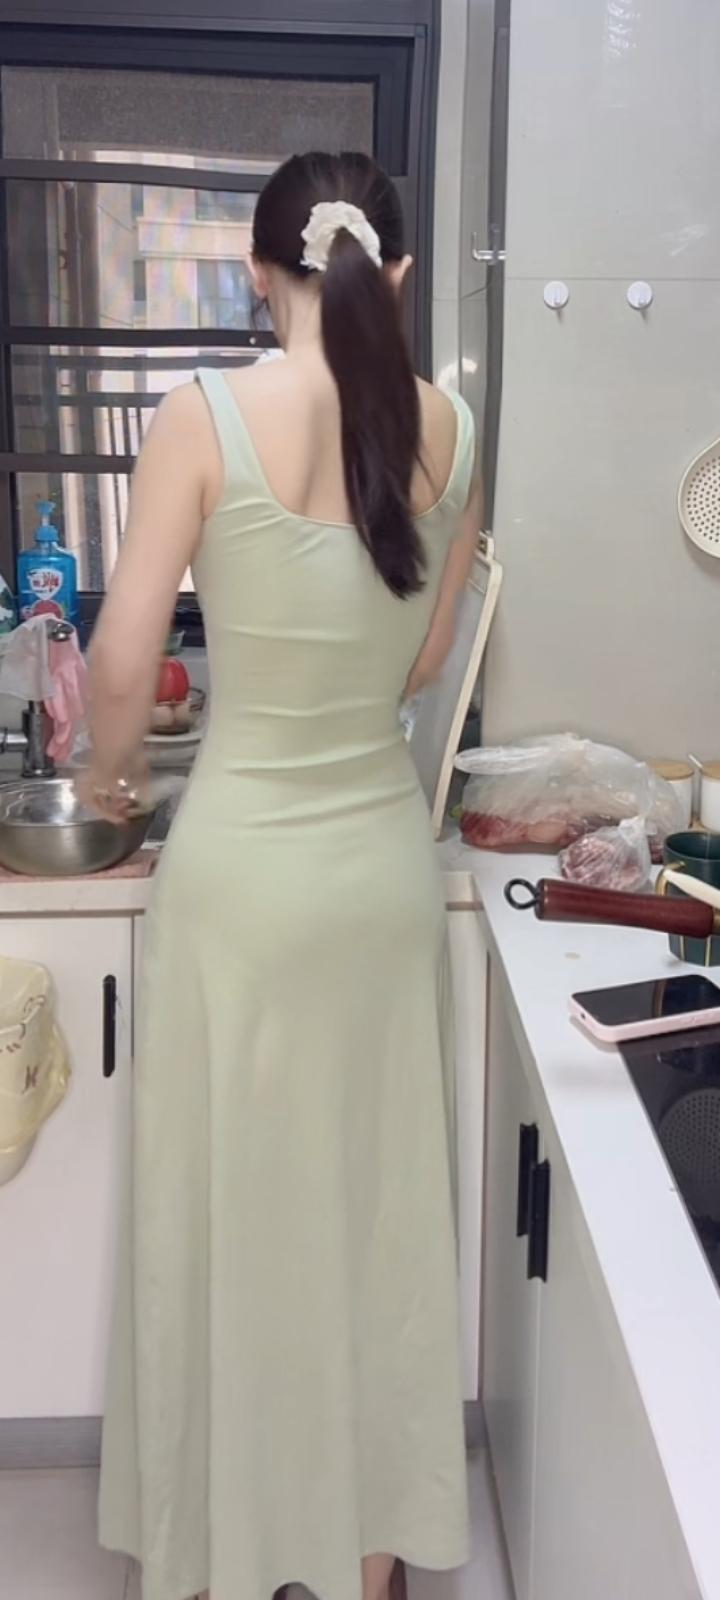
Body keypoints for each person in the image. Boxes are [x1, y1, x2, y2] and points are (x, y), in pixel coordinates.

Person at [90, 150, 481, 1600]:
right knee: (376, 1223)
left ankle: (213, 1553)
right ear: (396, 274)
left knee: (225, 1219)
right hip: (377, 877)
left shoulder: (203, 415)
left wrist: (113, 780)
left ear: (262, 274)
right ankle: (368, 1565)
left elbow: (123, 662)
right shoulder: (454, 427)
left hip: (240, 893)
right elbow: (425, 661)